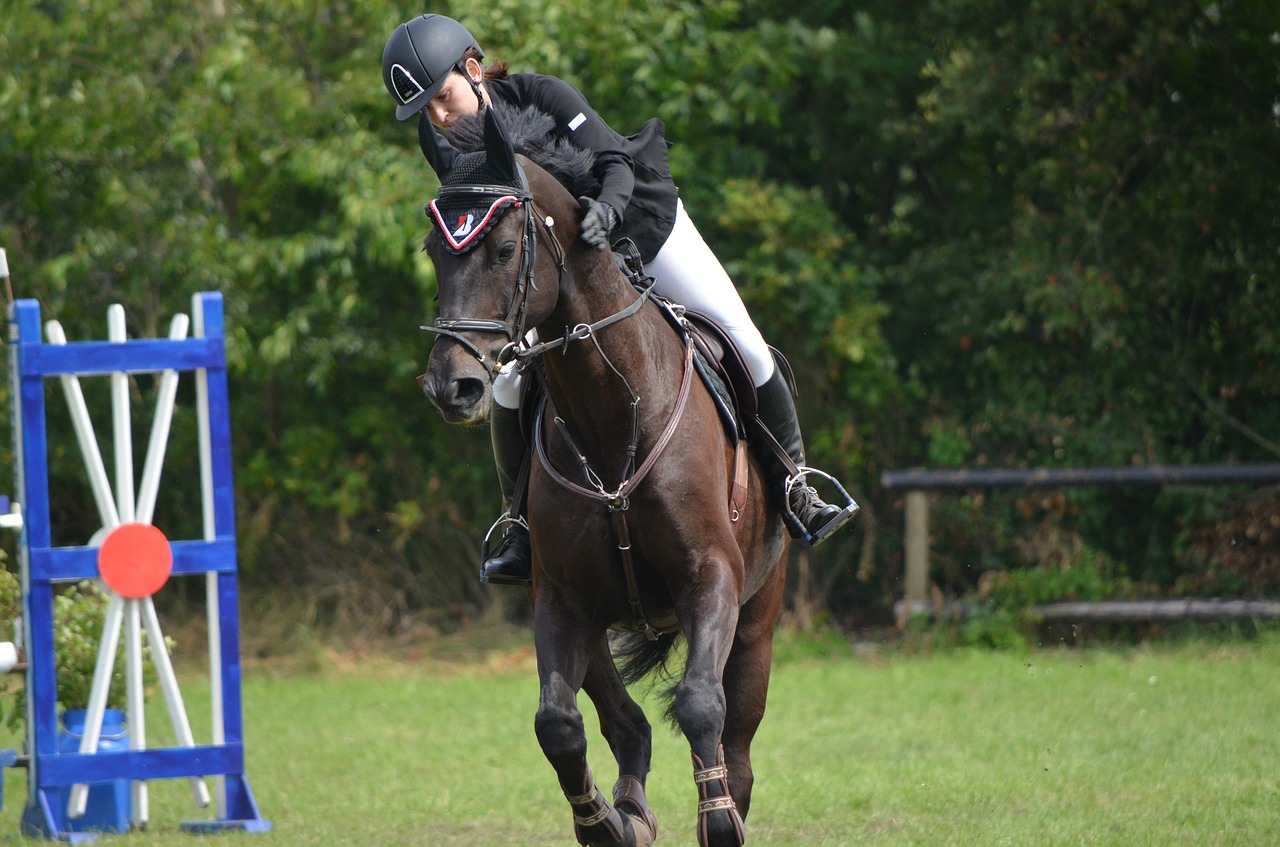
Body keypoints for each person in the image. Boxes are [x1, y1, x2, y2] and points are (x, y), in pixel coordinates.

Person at [382, 14, 857, 585]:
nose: (438, 115)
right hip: (568, 276)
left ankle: (794, 486)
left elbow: (614, 161)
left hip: (642, 226)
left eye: (443, 95)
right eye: (424, 109)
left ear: (474, 69)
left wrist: (603, 208)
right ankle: (519, 526)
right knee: (508, 382)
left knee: (746, 344)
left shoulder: (543, 95)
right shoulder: (445, 140)